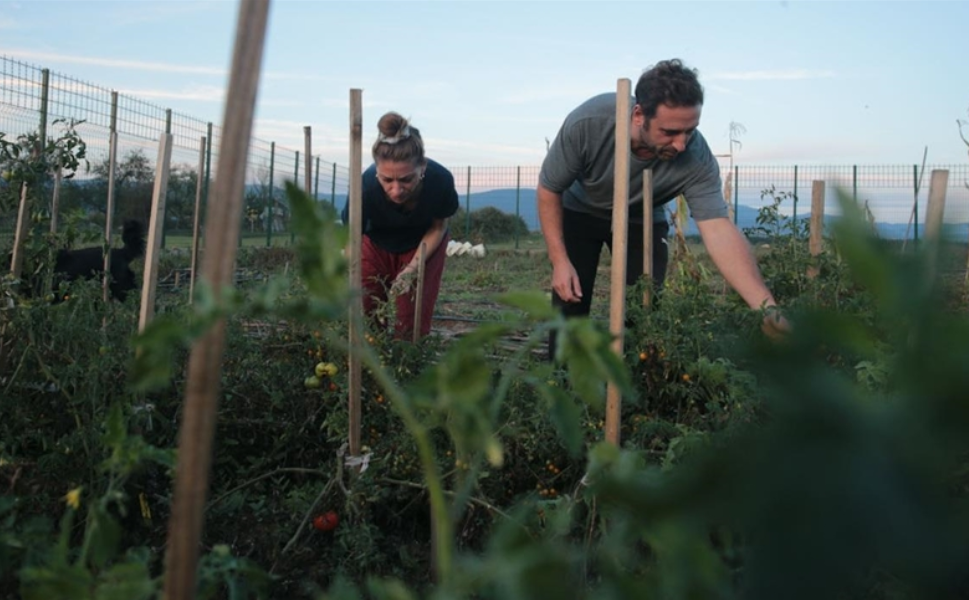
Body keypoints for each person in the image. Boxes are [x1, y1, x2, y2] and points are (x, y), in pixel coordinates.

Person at [538, 58, 788, 357]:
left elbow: (718, 228)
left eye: (690, 130)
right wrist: (559, 261)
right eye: (670, 132)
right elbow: (549, 188)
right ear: (639, 114)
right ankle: (562, 386)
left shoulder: (696, 157)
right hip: (580, 212)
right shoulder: (589, 123)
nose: (682, 144)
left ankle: (634, 383)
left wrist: (766, 308)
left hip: (642, 218)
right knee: (570, 303)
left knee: (643, 306)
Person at [342, 111, 459, 340]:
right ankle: (371, 360)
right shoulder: (364, 188)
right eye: (387, 180)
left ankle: (407, 361)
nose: (396, 190)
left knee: (411, 315)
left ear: (422, 167)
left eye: (406, 179)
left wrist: (411, 270)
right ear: (377, 171)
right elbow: (352, 238)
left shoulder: (440, 181)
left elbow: (438, 227)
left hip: (422, 242)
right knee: (365, 306)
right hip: (376, 243)